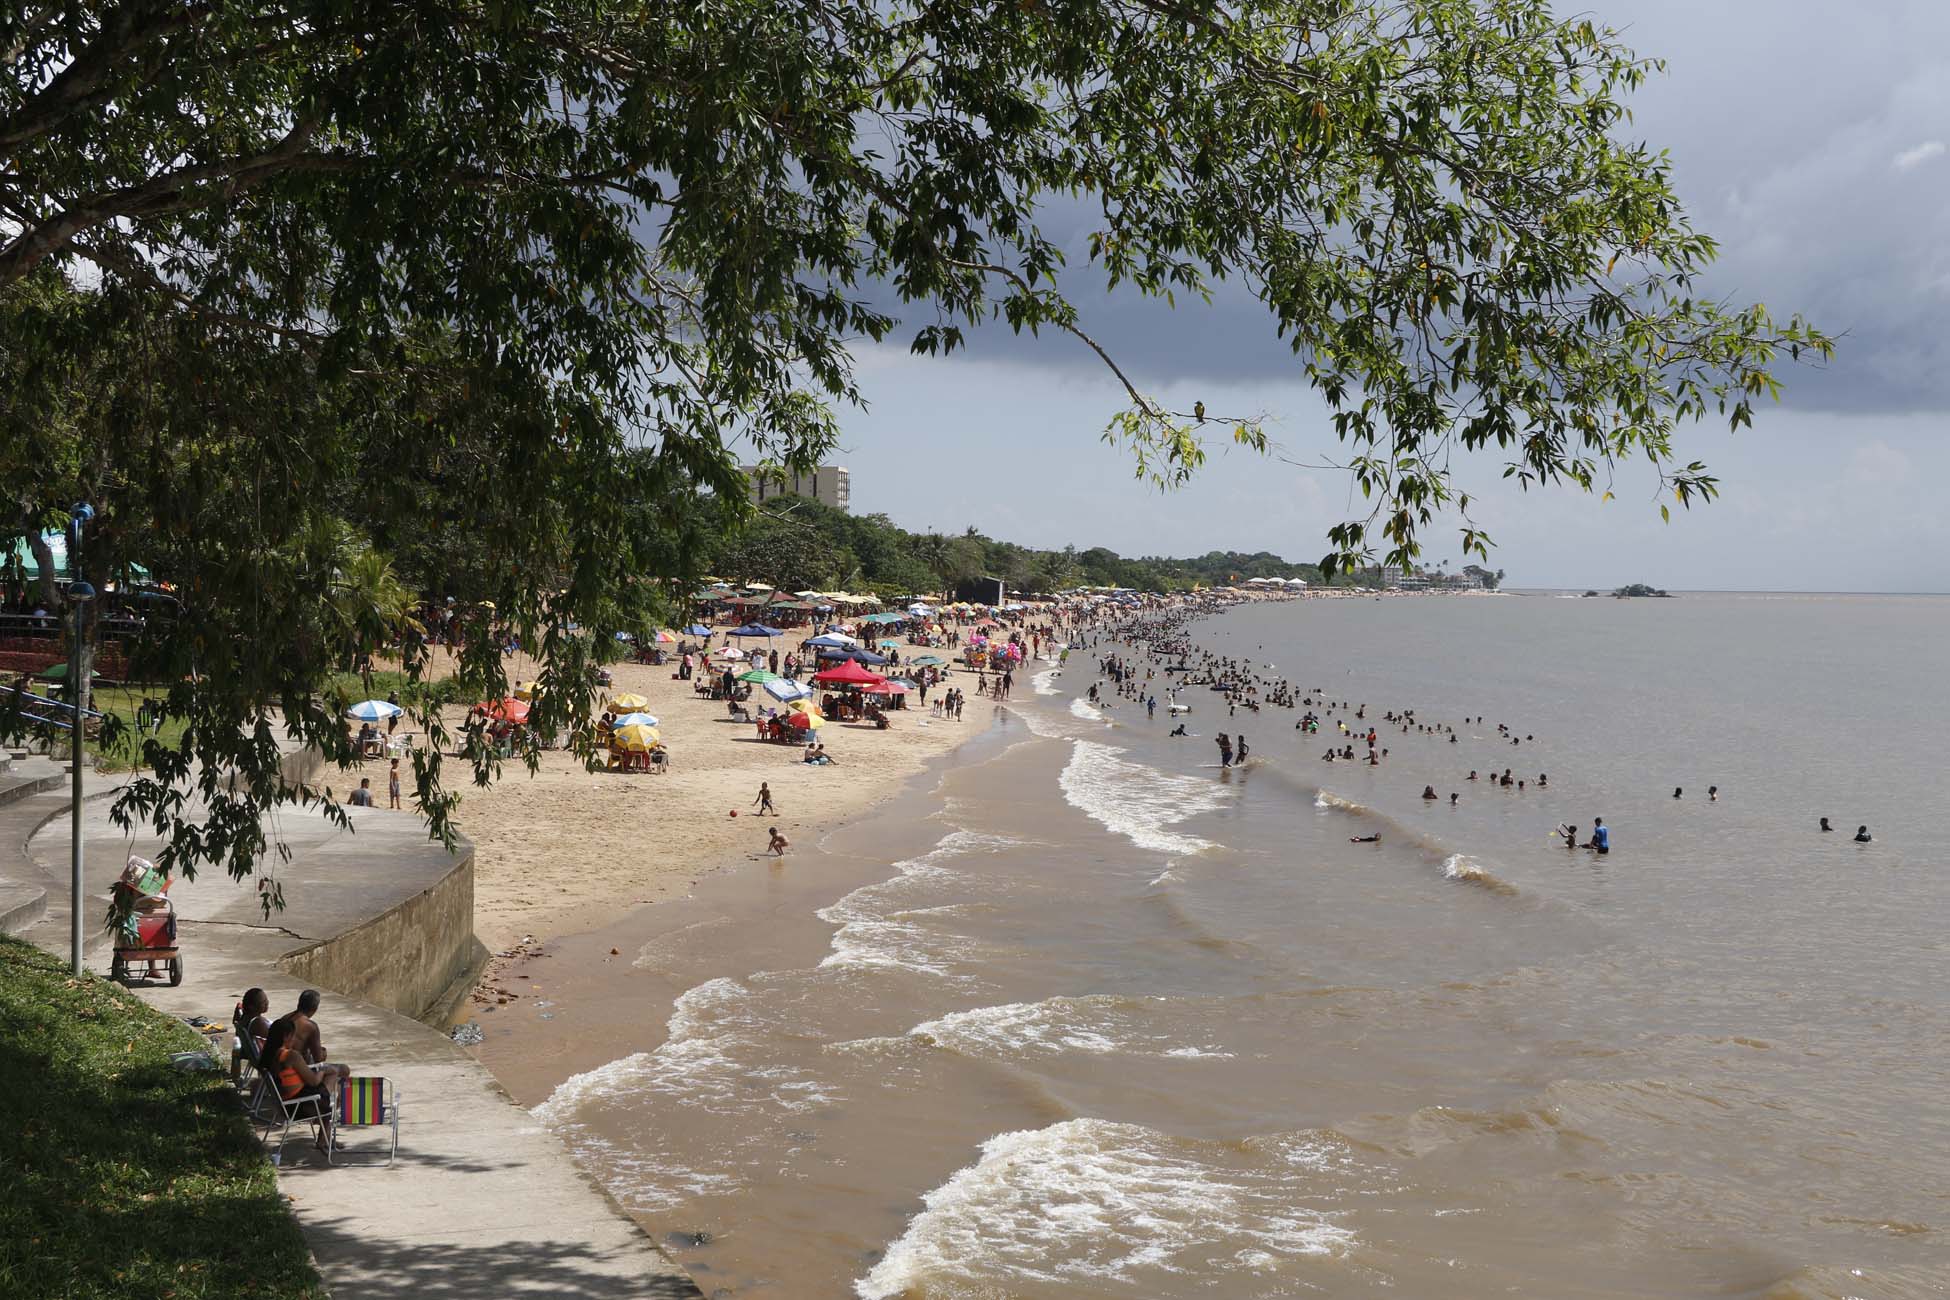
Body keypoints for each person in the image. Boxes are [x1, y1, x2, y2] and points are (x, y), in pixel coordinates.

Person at [231, 987, 271, 1083]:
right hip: (268, 1057)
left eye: (266, 1000)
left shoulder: (245, 1019)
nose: (267, 1003)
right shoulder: (258, 1023)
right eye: (263, 1002)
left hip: (256, 1055)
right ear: (251, 1007)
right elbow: (274, 1039)